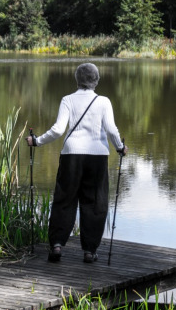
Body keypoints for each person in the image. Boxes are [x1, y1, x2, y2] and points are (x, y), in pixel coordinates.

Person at [26, 63, 128, 263]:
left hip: (71, 155)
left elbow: (57, 130)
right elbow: (111, 129)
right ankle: (89, 251)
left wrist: (37, 141)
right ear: (96, 80)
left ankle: (56, 245)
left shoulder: (67, 100)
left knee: (64, 199)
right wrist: (120, 148)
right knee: (95, 202)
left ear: (77, 79)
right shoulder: (104, 101)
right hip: (97, 156)